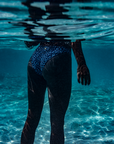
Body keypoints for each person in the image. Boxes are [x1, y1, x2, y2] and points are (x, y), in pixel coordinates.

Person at [21, 1, 91, 144]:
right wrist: (81, 63)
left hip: (36, 57)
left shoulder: (41, 11)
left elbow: (30, 42)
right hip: (57, 56)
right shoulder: (66, 8)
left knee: (31, 117)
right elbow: (74, 34)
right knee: (57, 123)